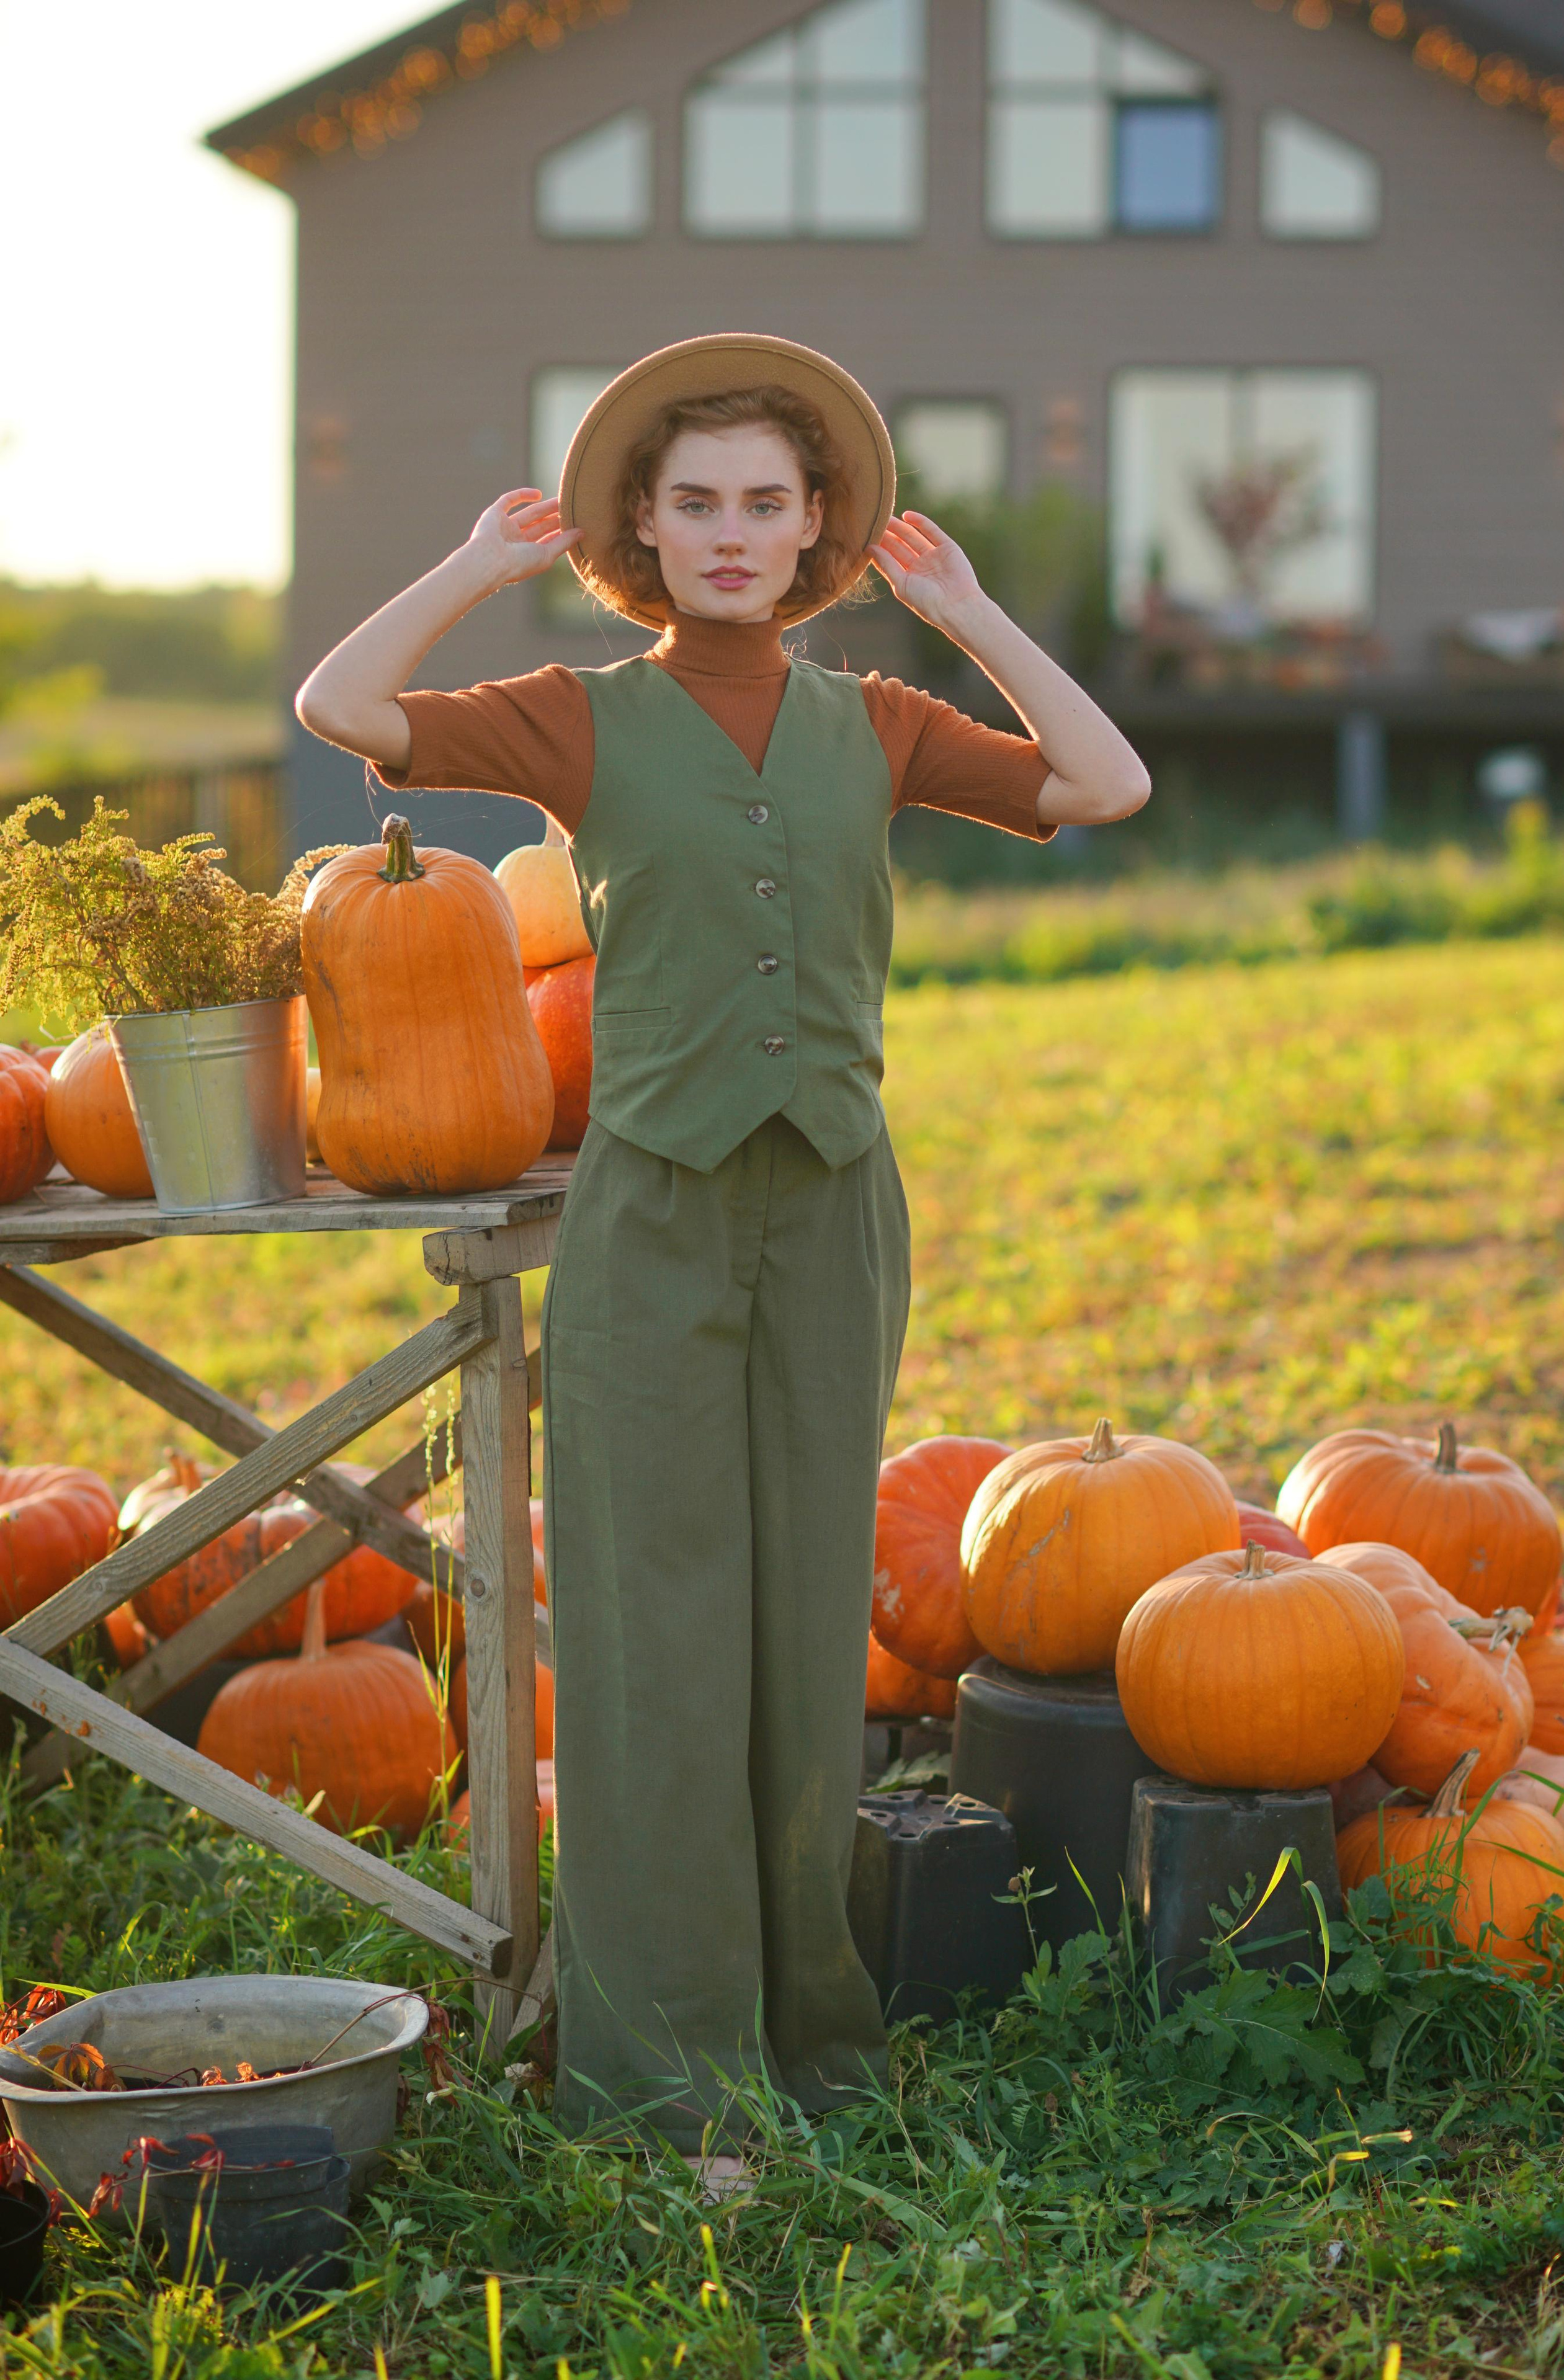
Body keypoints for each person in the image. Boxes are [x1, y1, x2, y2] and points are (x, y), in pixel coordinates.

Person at [297, 334, 1149, 2177]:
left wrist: (976, 617)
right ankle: (664, 2076)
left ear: (818, 523)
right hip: (656, 1217)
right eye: (698, 505)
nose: (735, 533)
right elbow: (342, 710)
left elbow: (1106, 787)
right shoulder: (571, 715)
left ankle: (805, 2034)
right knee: (647, 1640)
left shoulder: (885, 724)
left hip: (836, 1204)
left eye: (769, 501)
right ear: (648, 532)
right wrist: (471, 570)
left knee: (797, 1631)